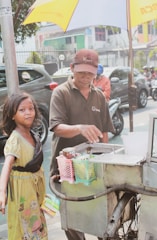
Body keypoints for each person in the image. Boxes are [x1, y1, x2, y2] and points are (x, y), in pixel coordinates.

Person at [49, 49, 114, 240]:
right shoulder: (61, 93)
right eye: (81, 72)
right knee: (73, 220)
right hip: (65, 167)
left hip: (93, 167)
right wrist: (79, 128)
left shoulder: (99, 96)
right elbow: (56, 127)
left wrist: (108, 159)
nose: (86, 77)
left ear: (96, 72)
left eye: (90, 73)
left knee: (101, 214)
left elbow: (104, 131)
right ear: (72, 68)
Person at [0, 92, 48, 240]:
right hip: (23, 191)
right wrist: (2, 192)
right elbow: (7, 165)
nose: (28, 113)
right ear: (12, 115)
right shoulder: (15, 139)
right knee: (26, 227)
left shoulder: (33, 134)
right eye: (22, 110)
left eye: (31, 108)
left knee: (37, 223)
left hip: (35, 189)